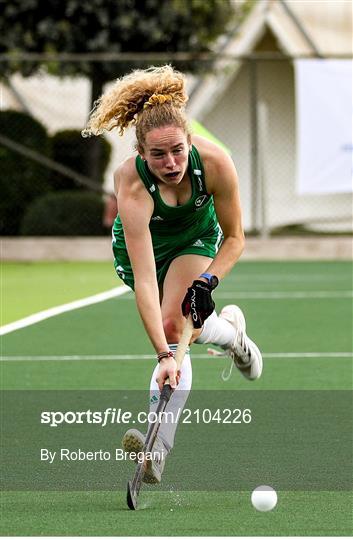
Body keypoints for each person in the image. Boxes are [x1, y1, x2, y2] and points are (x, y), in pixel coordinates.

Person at [82, 65, 262, 484]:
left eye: (178, 150)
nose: (171, 162)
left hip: (195, 239)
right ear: (141, 154)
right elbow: (145, 279)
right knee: (173, 331)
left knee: (176, 319)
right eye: (158, 155)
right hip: (145, 249)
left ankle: (156, 449)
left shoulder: (216, 164)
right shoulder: (131, 184)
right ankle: (231, 334)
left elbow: (235, 238)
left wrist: (207, 281)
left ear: (191, 141)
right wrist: (164, 355)